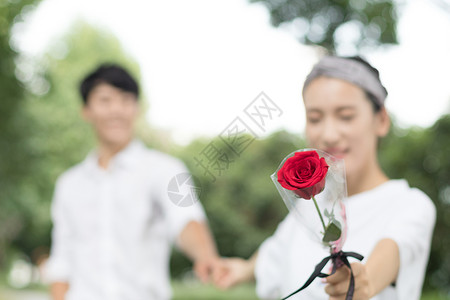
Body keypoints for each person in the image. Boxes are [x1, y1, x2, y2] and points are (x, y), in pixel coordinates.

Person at [212, 56, 436, 300]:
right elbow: (274, 251)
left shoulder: (409, 204)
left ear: (381, 120)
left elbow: (391, 252)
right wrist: (243, 270)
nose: (328, 135)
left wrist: (361, 282)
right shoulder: (308, 207)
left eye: (346, 116)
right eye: (315, 118)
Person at [46, 64, 220, 300]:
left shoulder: (165, 170)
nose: (116, 110)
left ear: (137, 108)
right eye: (105, 100)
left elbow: (186, 219)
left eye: (126, 100)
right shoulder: (69, 184)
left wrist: (206, 256)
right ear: (86, 110)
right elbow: (62, 261)